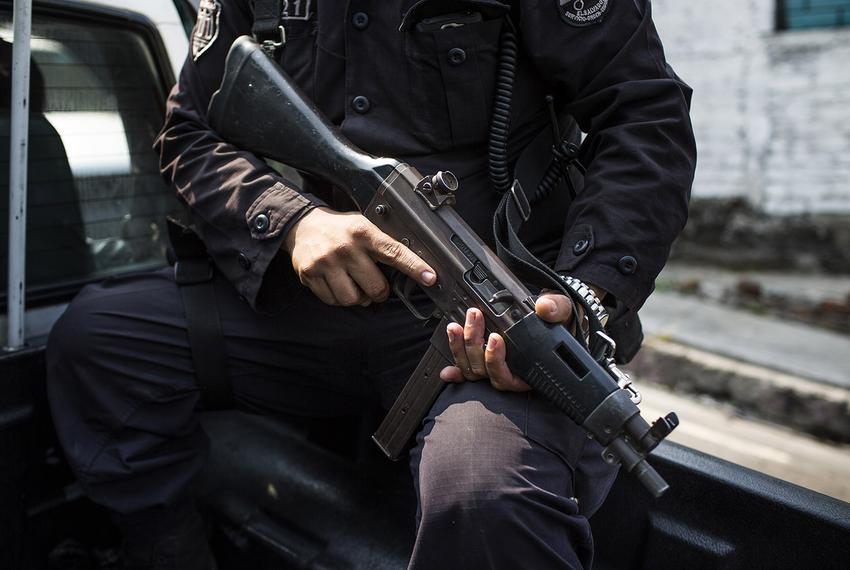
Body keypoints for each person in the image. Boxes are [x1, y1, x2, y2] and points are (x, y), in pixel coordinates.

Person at [46, 1, 696, 568]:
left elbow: (644, 119)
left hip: (494, 323)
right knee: (100, 342)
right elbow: (189, 134)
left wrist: (585, 295)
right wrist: (292, 223)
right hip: (311, 302)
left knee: (486, 494)